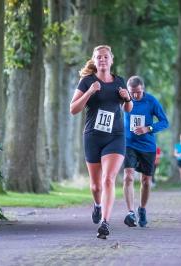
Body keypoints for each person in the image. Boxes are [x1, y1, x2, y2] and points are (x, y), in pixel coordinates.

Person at [70, 45, 133, 239]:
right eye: (99, 57)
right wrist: (89, 92)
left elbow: (128, 108)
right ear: (94, 60)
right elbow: (73, 109)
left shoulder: (119, 81)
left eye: (106, 57)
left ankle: (105, 222)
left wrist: (127, 97)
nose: (102, 60)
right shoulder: (87, 81)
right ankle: (97, 205)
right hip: (93, 137)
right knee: (96, 186)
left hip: (115, 136)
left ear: (111, 60)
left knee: (109, 179)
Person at [123, 76, 169, 228]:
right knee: (128, 176)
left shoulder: (151, 101)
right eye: (132, 93)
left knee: (146, 181)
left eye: (137, 92)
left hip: (147, 146)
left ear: (142, 88)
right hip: (129, 144)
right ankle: (130, 213)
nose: (135, 96)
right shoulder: (124, 99)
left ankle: (142, 209)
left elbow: (164, 122)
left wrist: (148, 128)